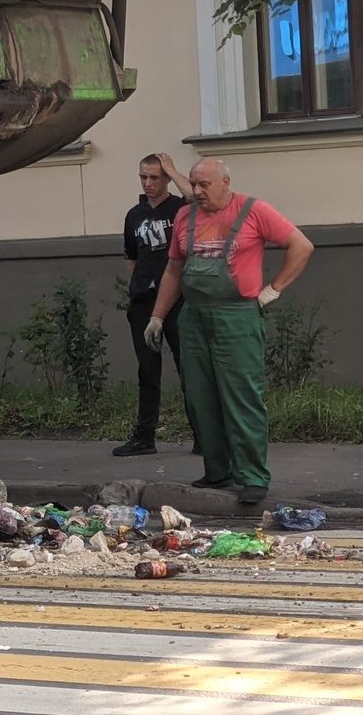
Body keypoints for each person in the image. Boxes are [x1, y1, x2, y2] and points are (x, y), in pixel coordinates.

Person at [148, 160, 314, 505]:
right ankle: (217, 471)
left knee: (241, 397)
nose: (196, 192)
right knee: (200, 396)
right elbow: (174, 271)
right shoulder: (185, 217)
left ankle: (252, 476)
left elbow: (301, 246)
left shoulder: (253, 211)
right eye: (194, 184)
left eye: (204, 185)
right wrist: (157, 317)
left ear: (226, 183)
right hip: (194, 317)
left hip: (237, 317)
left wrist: (272, 291)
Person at [115, 152, 195, 457]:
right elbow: (131, 256)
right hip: (143, 302)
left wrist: (173, 170)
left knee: (188, 368)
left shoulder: (180, 209)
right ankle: (144, 436)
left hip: (176, 301)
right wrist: (140, 288)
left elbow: (194, 196)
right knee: (147, 372)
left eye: (155, 178)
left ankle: (203, 435)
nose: (148, 184)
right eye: (143, 177)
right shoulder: (134, 215)